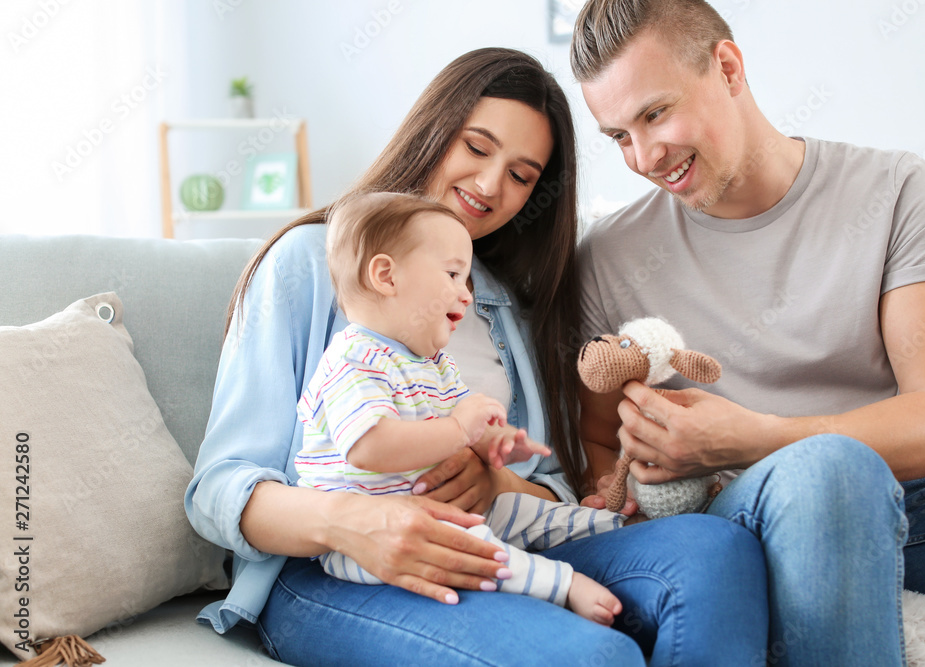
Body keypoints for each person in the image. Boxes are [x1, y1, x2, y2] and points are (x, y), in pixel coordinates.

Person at [186, 47, 768, 666]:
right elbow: (218, 489)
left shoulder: (506, 303)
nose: (491, 187)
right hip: (334, 568)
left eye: (521, 175)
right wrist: (352, 522)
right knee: (589, 656)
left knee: (717, 548)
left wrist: (498, 480)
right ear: (433, 132)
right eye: (476, 147)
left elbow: (550, 485)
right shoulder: (312, 263)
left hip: (493, 538)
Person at [569, 1, 925, 665]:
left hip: (912, 513)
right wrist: (621, 488)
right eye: (618, 136)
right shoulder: (611, 256)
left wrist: (745, 434)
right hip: (738, 529)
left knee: (838, 469)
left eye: (655, 113)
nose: (644, 156)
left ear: (729, 68)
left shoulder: (898, 191)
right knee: (829, 470)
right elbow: (597, 438)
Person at [297, 191, 624, 625]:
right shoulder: (353, 359)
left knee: (516, 508)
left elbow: (467, 421)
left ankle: (609, 527)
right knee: (466, 539)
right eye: (453, 274)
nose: (465, 295)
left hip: (436, 511)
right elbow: (369, 448)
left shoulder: (431, 361)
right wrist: (458, 430)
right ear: (386, 277)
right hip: (373, 540)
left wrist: (499, 443)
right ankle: (561, 584)